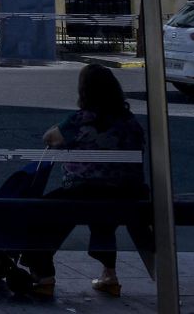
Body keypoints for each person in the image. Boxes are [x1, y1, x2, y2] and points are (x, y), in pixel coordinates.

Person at [20, 64, 152, 298]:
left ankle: (43, 275)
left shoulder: (82, 120)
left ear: (85, 91)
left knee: (40, 212)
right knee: (104, 219)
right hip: (128, 194)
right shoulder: (129, 121)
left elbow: (49, 138)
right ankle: (109, 275)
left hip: (86, 191)